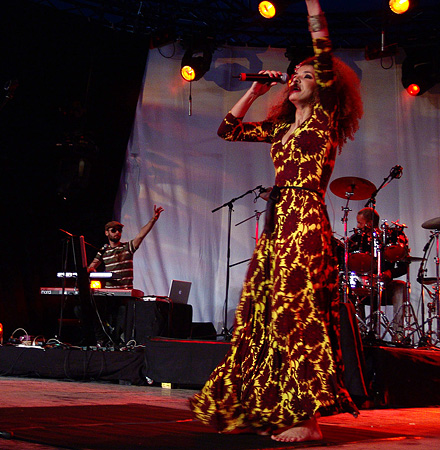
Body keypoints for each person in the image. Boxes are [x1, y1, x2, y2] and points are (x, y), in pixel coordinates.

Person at [190, 0, 363, 442]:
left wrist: (312, 9)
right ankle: (275, 405)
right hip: (277, 222)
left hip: (304, 218)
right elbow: (228, 130)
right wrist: (255, 93)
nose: (297, 79)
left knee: (300, 311)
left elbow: (323, 54)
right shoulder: (281, 129)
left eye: (306, 77)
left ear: (324, 88)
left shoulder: (322, 120)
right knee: (267, 313)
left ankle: (310, 417)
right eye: (295, 76)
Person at [348, 207, 408, 338]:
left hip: (385, 286)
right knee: (349, 290)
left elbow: (403, 267)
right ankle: (359, 334)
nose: (357, 226)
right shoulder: (356, 240)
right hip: (363, 287)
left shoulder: (389, 238)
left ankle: (398, 334)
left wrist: (390, 273)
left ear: (369, 223)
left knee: (401, 287)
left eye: (360, 223)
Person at [87, 204, 164, 288]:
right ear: (106, 233)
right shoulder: (103, 250)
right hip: (109, 293)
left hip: (125, 292)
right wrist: (91, 270)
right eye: (113, 230)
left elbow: (141, 235)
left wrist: (153, 220)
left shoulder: (127, 247)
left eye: (119, 230)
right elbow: (91, 267)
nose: (117, 232)